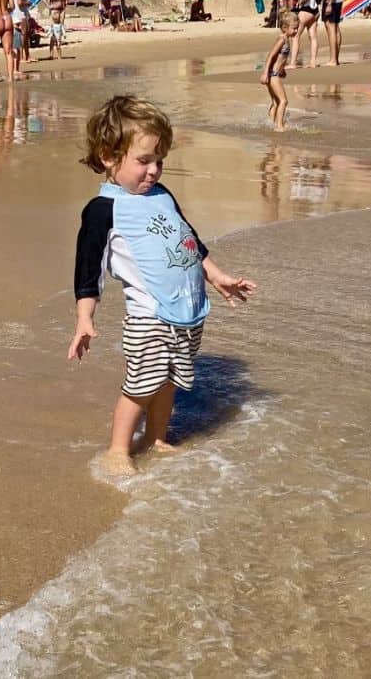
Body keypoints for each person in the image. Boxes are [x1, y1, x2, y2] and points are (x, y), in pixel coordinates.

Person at [68, 96, 257, 476]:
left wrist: (216, 276)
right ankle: (118, 450)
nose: (154, 170)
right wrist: (84, 318)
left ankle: (156, 438)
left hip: (187, 311)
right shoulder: (104, 210)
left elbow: (189, 241)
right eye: (144, 161)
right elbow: (88, 271)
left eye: (160, 161)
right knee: (141, 384)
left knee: (169, 381)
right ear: (108, 156)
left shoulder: (162, 195)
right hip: (149, 316)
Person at [261, 12, 299, 132]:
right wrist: (265, 73)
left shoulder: (287, 39)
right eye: (294, 28)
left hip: (275, 74)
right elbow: (271, 56)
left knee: (276, 102)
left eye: (297, 28)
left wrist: (282, 70)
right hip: (272, 75)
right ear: (284, 28)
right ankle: (279, 126)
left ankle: (271, 123)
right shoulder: (282, 39)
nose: (296, 31)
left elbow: (279, 59)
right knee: (283, 100)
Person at [287, 0, 319, 69]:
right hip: (315, 9)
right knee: (313, 37)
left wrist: (300, 2)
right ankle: (313, 62)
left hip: (306, 10)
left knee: (295, 36)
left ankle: (292, 63)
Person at [321, 0, 342, 66]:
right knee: (335, 29)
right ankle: (335, 58)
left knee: (331, 30)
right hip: (338, 1)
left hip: (330, 1)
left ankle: (333, 59)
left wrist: (329, 4)